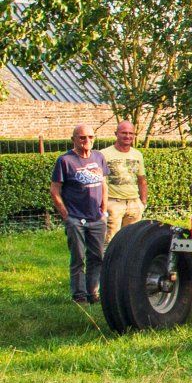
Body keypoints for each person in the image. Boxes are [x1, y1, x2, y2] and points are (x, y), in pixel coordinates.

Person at [49, 124, 109, 304]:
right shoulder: (65, 160)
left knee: (97, 257)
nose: (87, 141)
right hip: (76, 219)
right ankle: (79, 296)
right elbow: (54, 190)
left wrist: (103, 211)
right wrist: (66, 215)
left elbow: (104, 185)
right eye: (82, 137)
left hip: (97, 218)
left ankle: (94, 293)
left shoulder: (99, 157)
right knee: (78, 258)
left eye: (90, 137)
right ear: (73, 139)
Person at [100, 120, 147, 244]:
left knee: (132, 241)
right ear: (116, 134)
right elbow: (100, 182)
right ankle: (108, 263)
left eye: (131, 133)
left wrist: (142, 203)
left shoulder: (137, 154)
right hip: (113, 203)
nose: (127, 136)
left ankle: (128, 264)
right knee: (110, 242)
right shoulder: (104, 154)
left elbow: (142, 180)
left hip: (134, 204)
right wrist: (104, 206)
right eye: (124, 133)